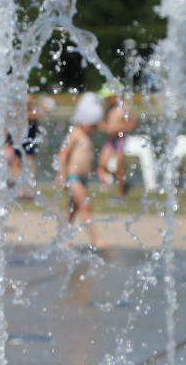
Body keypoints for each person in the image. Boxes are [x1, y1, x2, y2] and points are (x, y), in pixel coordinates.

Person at [56, 92, 106, 249]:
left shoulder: (86, 136)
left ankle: (64, 238)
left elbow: (87, 159)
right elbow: (62, 154)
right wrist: (62, 175)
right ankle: (95, 239)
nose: (94, 128)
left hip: (82, 179)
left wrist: (98, 171)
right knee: (85, 207)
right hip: (73, 178)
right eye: (92, 125)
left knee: (72, 210)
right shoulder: (75, 134)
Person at [96, 87, 137, 198]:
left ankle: (121, 192)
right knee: (101, 166)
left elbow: (132, 124)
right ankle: (108, 183)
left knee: (119, 168)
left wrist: (118, 128)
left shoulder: (125, 108)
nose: (107, 100)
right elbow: (103, 124)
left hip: (121, 139)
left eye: (109, 98)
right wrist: (105, 127)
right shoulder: (108, 110)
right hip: (111, 140)